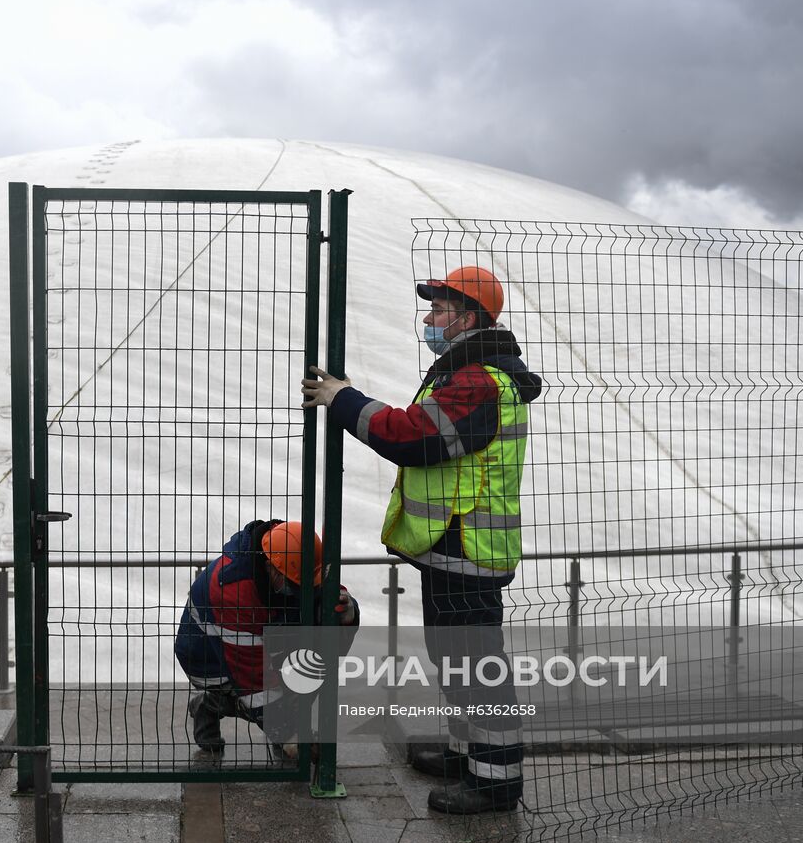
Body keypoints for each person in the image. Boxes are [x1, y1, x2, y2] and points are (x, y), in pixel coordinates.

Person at [300, 264, 542, 814]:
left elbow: (416, 437)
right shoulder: (465, 373)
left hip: (467, 549)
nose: (429, 320)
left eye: (439, 310)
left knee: (476, 666)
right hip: (455, 548)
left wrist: (343, 400)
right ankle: (467, 755)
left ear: (469, 317)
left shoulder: (478, 380)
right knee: (455, 659)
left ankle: (496, 781)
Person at [175, 519, 360, 757]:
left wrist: (348, 611)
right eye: (294, 586)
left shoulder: (292, 551)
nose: (298, 592)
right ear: (272, 568)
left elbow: (318, 587)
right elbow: (253, 680)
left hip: (260, 637)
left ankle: (287, 726)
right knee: (263, 696)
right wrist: (288, 735)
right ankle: (211, 703)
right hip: (210, 660)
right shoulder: (233, 591)